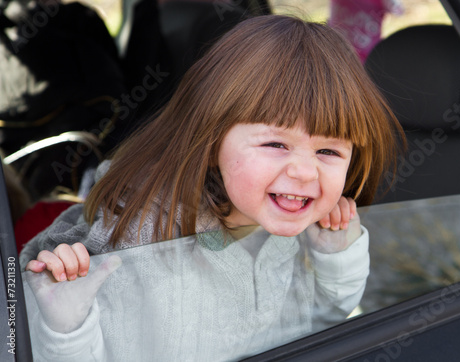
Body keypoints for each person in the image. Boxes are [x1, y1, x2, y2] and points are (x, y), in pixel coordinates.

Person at [20, 15, 403, 361]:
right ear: (213, 137)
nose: (305, 172)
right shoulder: (144, 240)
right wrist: (66, 329)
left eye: (328, 150)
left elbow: (319, 322)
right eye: (275, 144)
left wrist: (336, 257)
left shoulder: (292, 227)